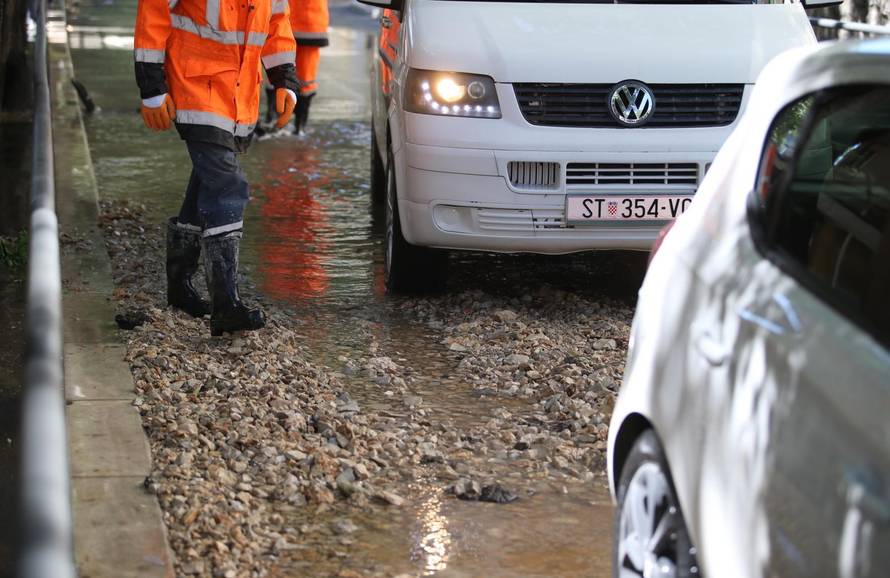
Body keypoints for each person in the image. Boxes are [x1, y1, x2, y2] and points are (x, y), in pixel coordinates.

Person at [134, 0, 299, 336]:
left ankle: (180, 287)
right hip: (194, 88)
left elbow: (276, 22)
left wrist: (285, 80)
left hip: (237, 97)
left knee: (206, 182)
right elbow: (154, 11)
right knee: (228, 187)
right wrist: (151, 87)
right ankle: (225, 306)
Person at [263, 0, 328, 133]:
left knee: (276, 68)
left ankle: (274, 120)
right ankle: (299, 126)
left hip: (285, 21)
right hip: (308, 22)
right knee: (304, 78)